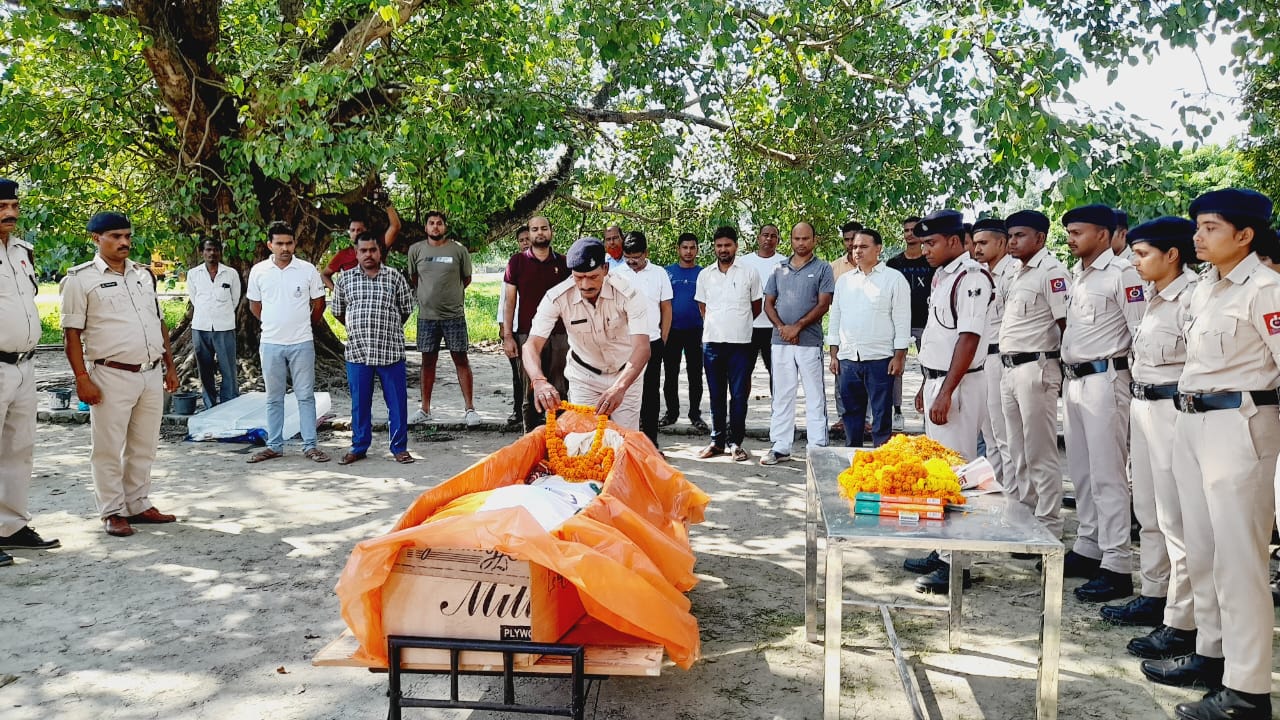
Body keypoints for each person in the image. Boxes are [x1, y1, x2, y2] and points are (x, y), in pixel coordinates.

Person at [1147, 189, 1280, 720]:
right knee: (1199, 548)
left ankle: (1248, 691)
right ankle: (1211, 653)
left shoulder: (1266, 289)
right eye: (1197, 227)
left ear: (1244, 236)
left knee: (1240, 561)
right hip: (1192, 422)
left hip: (1240, 427)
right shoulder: (1204, 290)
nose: (1197, 237)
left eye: (1209, 228)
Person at [1101, 219, 1199, 663]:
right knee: (1150, 511)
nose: (1135, 261)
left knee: (1177, 519)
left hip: (1173, 412)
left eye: (1142, 254)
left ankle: (1182, 621)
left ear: (1171, 254)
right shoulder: (1156, 298)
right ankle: (1155, 594)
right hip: (1143, 407)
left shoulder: (1193, 297)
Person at [61, 212, 181, 536]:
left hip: (150, 373)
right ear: (96, 239)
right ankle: (112, 511)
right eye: (115, 236)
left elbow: (158, 322)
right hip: (110, 375)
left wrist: (170, 366)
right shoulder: (79, 279)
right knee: (108, 446)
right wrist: (81, 378)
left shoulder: (143, 275)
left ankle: (138, 503)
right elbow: (71, 333)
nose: (124, 242)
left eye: (127, 235)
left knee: (144, 444)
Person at [902, 209, 992, 594]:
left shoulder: (972, 279)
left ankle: (958, 564)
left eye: (932, 242)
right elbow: (941, 338)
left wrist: (947, 390)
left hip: (961, 385)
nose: (925, 250)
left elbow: (968, 339)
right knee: (937, 468)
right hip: (939, 380)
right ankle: (943, 550)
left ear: (955, 241)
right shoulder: (944, 277)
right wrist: (928, 383)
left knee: (955, 472)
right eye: (923, 243)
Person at [1059, 204, 1145, 603]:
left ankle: (1117, 564)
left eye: (1078, 231)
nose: (1071, 238)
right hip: (1075, 381)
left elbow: (1140, 330)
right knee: (1082, 471)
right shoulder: (1078, 276)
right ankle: (1090, 546)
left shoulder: (1123, 273)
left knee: (1109, 473)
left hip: (1106, 380)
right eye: (1070, 231)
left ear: (1103, 234)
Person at [524, 237, 650, 429]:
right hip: (584, 377)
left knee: (625, 440)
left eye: (593, 277)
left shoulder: (629, 294)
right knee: (583, 440)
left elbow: (642, 348)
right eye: (579, 277)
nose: (585, 285)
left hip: (625, 374)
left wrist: (620, 387)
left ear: (605, 269)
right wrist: (539, 381)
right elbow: (531, 345)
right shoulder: (556, 297)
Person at [999, 210, 1070, 540]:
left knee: (1040, 453)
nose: (1012, 241)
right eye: (1010, 236)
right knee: (1018, 453)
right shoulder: (1016, 272)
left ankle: (1049, 528)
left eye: (1020, 235)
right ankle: (1026, 523)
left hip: (1036, 369)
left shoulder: (1052, 272)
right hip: (1011, 369)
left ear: (1040, 238)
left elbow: (1065, 324)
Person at [0, 179, 59, 562]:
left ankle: (11, 526)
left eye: (13, 206)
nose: (10, 213)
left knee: (19, 449)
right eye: (2, 206)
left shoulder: (23, 252)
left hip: (24, 365)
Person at [245, 222, 329, 464]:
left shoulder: (307, 270)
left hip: (302, 342)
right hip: (271, 343)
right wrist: (273, 323)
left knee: (305, 396)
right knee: (273, 397)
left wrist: (303, 324)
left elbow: (319, 303)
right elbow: (254, 306)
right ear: (269, 244)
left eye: (289, 243)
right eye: (279, 243)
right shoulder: (259, 271)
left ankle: (310, 446)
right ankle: (274, 446)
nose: (284, 248)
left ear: (295, 244)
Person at [331, 232, 416, 465]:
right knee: (360, 404)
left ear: (380, 252)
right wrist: (357, 326)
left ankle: (399, 448)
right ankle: (359, 446)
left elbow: (406, 309)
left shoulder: (395, 277)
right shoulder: (345, 280)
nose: (368, 254)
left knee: (397, 403)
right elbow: (337, 311)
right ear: (356, 253)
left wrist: (386, 327)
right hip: (358, 353)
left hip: (390, 352)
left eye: (373, 250)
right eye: (363, 251)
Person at [827, 227, 910, 448]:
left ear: (878, 249)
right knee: (851, 414)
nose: (857, 251)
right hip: (848, 358)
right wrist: (834, 354)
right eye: (854, 247)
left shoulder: (894, 279)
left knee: (881, 416)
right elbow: (835, 318)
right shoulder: (844, 281)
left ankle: (882, 465)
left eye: (863, 246)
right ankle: (853, 459)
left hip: (881, 358)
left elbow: (902, 321)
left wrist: (899, 356)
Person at [759, 222, 834, 465]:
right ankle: (780, 446)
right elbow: (768, 303)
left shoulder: (823, 268)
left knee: (814, 396)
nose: (801, 243)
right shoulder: (778, 269)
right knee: (782, 394)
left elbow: (823, 304)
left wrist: (797, 327)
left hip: (809, 342)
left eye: (805, 238)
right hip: (780, 341)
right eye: (796, 238)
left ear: (814, 240)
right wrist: (783, 328)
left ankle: (817, 448)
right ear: (790, 240)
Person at [695, 226, 762, 462]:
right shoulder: (705, 274)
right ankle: (717, 441)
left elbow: (757, 306)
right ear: (714, 247)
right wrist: (718, 325)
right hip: (712, 343)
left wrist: (737, 324)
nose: (723, 250)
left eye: (728, 245)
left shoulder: (749, 272)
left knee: (739, 395)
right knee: (715, 394)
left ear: (736, 246)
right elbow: (703, 308)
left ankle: (736, 443)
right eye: (719, 246)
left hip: (741, 343)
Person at [406, 211, 479, 426]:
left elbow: (466, 278)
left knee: (461, 359)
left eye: (439, 223)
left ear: (445, 227)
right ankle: (425, 409)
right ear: (426, 228)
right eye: (431, 223)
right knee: (428, 362)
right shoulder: (416, 250)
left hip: (454, 315)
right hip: (427, 317)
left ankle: (469, 409)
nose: (435, 227)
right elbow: (414, 278)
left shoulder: (458, 250)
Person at [502, 215, 570, 431]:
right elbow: (509, 301)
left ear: (551, 231)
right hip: (527, 336)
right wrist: (508, 336)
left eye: (544, 228)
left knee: (561, 390)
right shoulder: (517, 262)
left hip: (560, 336)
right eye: (534, 229)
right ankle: (529, 445)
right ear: (528, 234)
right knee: (531, 393)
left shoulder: (564, 262)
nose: (539, 233)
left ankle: (561, 447)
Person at [969, 218, 1017, 488]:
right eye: (975, 243)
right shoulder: (978, 274)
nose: (977, 249)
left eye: (984, 243)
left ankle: (1012, 500)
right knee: (989, 437)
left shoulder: (1013, 273)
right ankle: (996, 493)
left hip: (1002, 359)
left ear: (1002, 242)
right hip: (981, 359)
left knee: (1005, 438)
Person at [614, 231, 672, 447]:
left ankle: (649, 443)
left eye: (636, 257)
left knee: (650, 393)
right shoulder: (616, 274)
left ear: (646, 253)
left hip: (652, 342)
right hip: (624, 345)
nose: (632, 261)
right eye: (628, 257)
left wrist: (663, 336)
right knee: (623, 392)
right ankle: (623, 443)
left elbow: (666, 308)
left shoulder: (659, 274)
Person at [886, 214, 934, 432]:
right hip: (900, 324)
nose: (910, 234)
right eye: (906, 230)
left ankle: (929, 409)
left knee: (930, 368)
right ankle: (897, 412)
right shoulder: (894, 264)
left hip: (928, 322)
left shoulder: (932, 261)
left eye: (914, 230)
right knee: (896, 368)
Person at [661, 233, 709, 433]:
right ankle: (671, 413)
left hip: (696, 331)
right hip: (672, 330)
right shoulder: (667, 273)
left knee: (695, 374)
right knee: (670, 374)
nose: (688, 251)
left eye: (692, 247)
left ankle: (695, 414)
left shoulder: (704, 274)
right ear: (678, 249)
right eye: (685, 247)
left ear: (697, 249)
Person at [186, 238, 241, 410]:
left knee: (228, 368)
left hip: (224, 327)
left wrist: (220, 314)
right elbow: (194, 298)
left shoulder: (230, 273)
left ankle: (229, 404)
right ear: (202, 252)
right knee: (205, 368)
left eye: (215, 250)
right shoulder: (194, 274)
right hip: (200, 327)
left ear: (220, 252)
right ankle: (210, 405)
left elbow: (235, 299)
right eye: (208, 249)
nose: (212, 253)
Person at [321, 191, 401, 291]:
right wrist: (339, 293)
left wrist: (387, 203)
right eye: (352, 230)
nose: (356, 233)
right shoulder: (343, 255)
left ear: (366, 231)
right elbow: (324, 274)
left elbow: (395, 227)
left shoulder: (378, 246)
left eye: (359, 230)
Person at [737, 224, 785, 386]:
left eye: (773, 236)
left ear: (778, 240)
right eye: (765, 235)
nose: (769, 239)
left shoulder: (785, 263)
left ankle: (778, 410)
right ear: (758, 238)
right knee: (743, 372)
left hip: (775, 328)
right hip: (748, 326)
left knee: (777, 373)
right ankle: (739, 410)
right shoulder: (743, 262)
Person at [497, 226, 531, 426]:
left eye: (528, 238)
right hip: (515, 328)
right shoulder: (513, 266)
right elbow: (504, 300)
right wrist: (504, 328)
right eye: (522, 240)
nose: (525, 242)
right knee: (518, 373)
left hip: (535, 329)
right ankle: (518, 410)